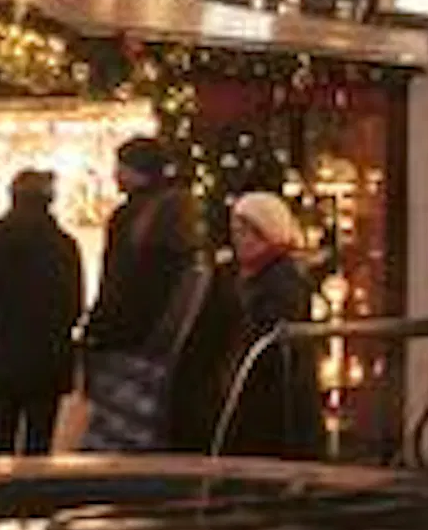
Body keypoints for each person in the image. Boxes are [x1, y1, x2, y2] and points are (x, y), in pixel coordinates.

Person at [80, 137, 206, 453]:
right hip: (158, 343)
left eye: (120, 166)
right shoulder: (180, 214)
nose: (114, 174)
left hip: (126, 339)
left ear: (137, 171)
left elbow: (120, 282)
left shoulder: (132, 217)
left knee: (116, 432)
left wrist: (97, 328)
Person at [0, 169, 83, 456]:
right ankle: (35, 498)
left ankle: (0, 498)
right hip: (46, 361)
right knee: (39, 445)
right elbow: (73, 305)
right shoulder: (64, 245)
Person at [218, 191, 324, 458]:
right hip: (254, 391)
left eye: (246, 233)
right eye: (236, 232)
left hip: (275, 394)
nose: (239, 241)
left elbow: (273, 330)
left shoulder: (282, 277)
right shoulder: (241, 275)